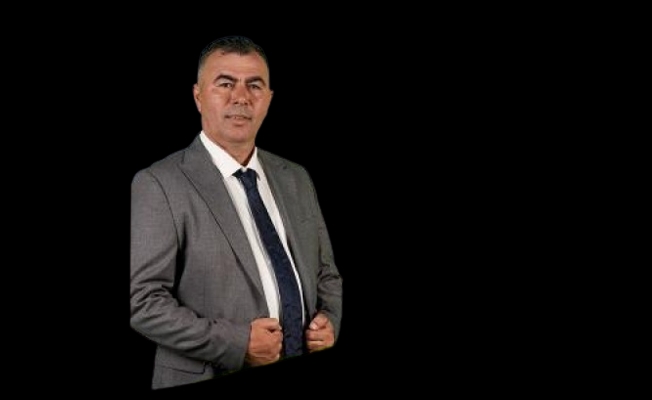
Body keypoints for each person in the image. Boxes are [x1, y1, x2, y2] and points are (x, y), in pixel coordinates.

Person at [129, 35, 343, 390]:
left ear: (269, 98)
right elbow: (141, 302)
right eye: (225, 83)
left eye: (254, 85)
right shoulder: (158, 184)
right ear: (198, 96)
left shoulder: (296, 178)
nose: (241, 97)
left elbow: (327, 274)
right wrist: (238, 343)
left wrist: (330, 320)